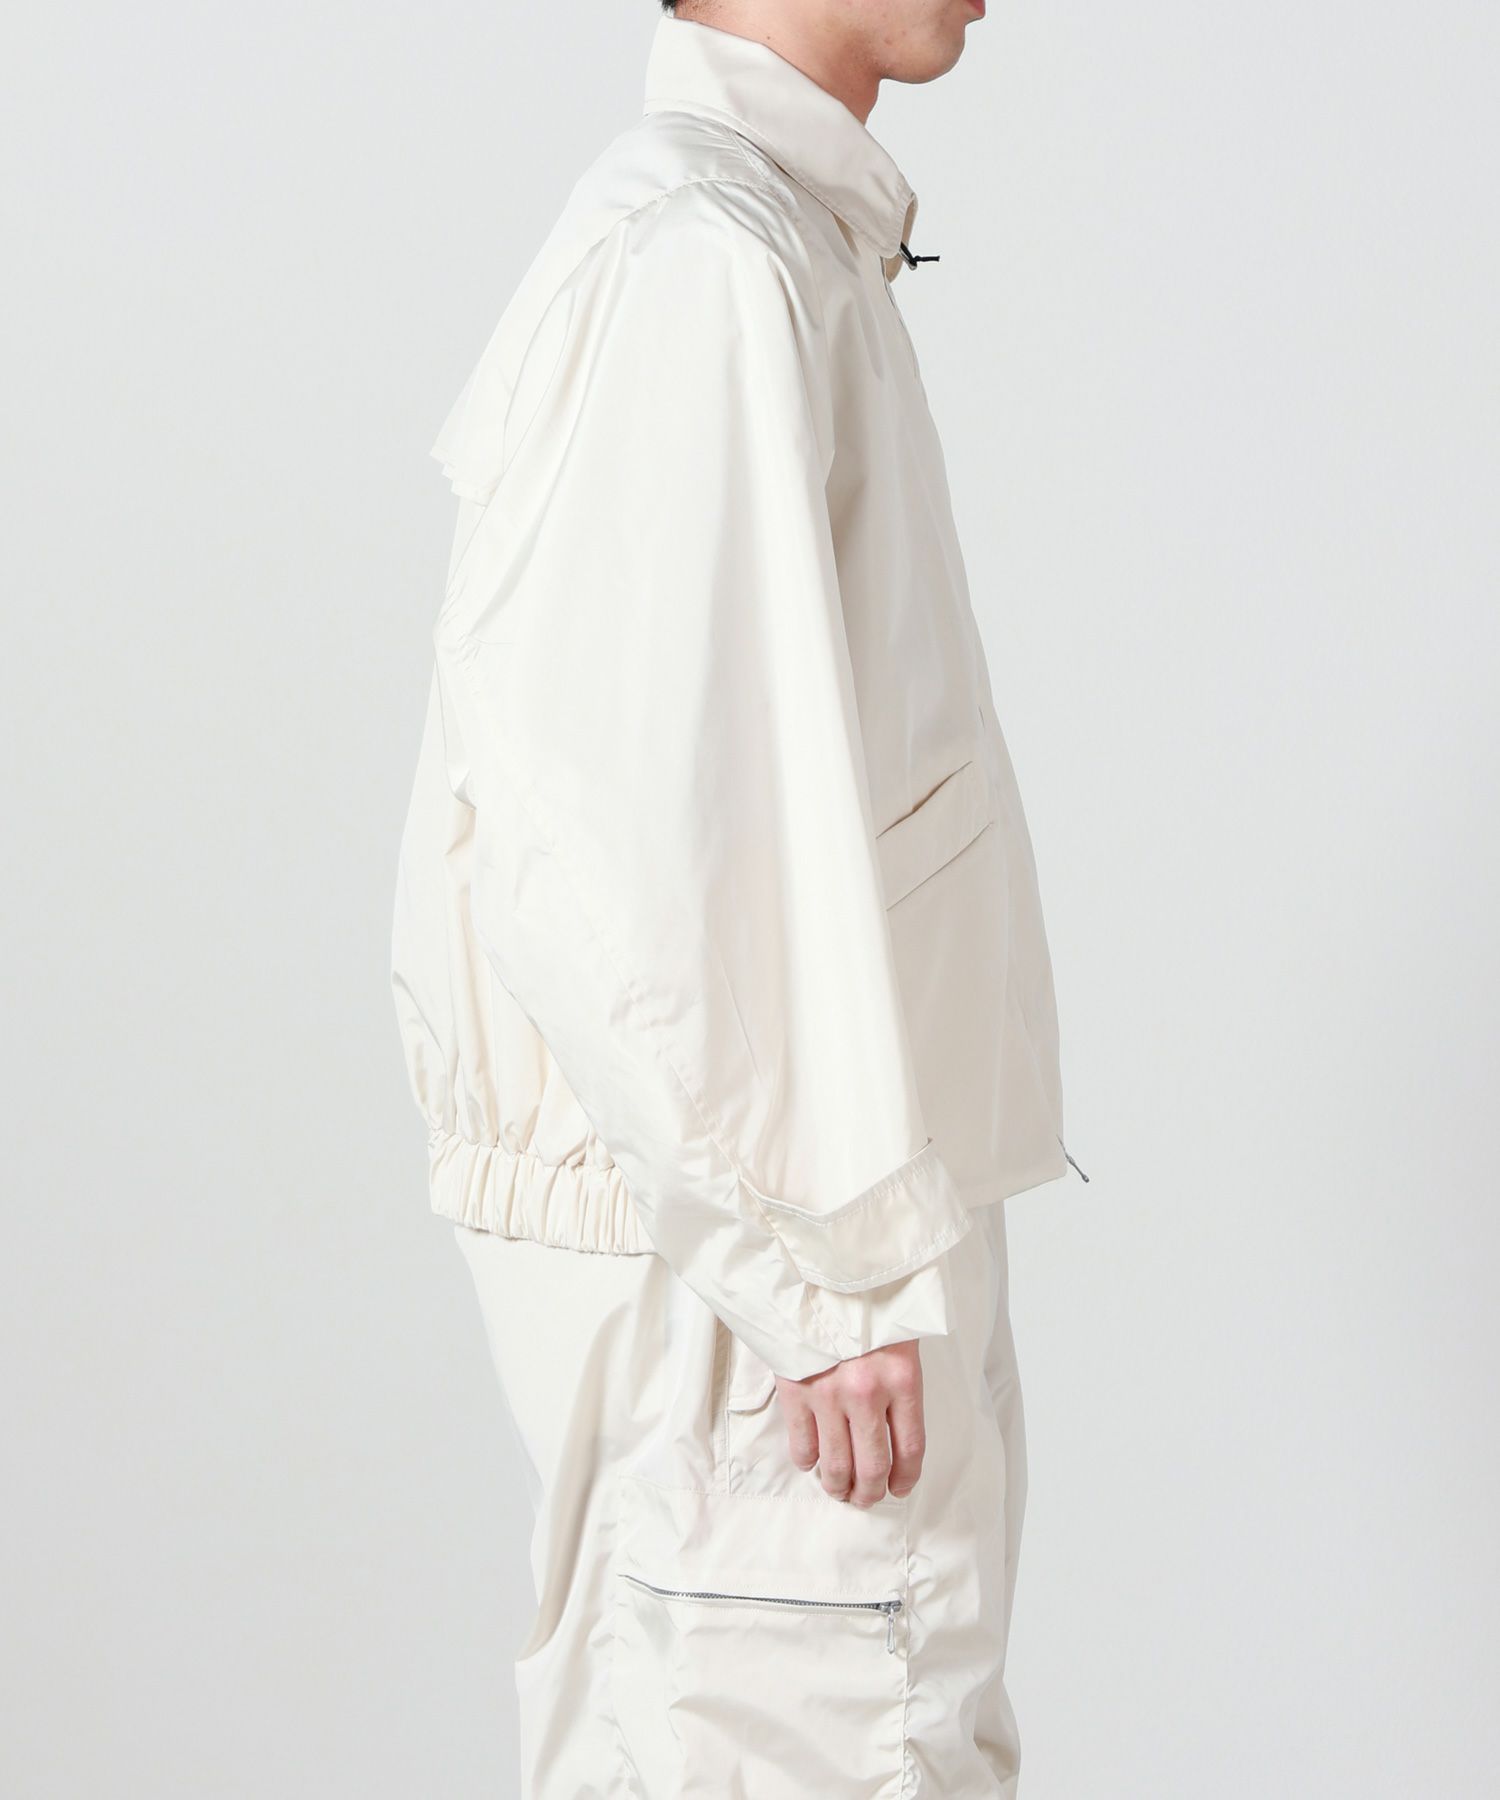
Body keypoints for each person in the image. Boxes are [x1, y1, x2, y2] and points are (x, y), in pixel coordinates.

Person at [392, 3, 1084, 1793]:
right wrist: (823, 1274)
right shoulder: (707, 261)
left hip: (788, 1273)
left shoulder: (769, 238)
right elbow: (610, 845)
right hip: (769, 1307)